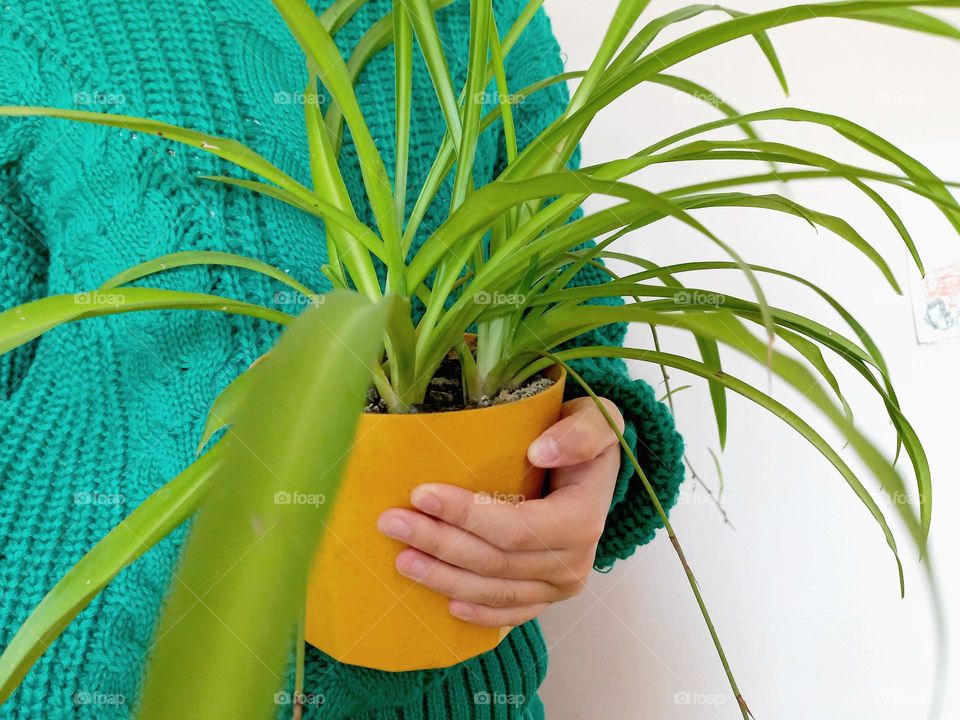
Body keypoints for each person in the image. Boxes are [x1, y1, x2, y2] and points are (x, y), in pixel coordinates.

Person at [0, 0, 684, 717]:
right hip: (97, 679)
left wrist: (594, 459)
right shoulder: (36, 20)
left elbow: (560, 314)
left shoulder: (490, 17)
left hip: (442, 687)